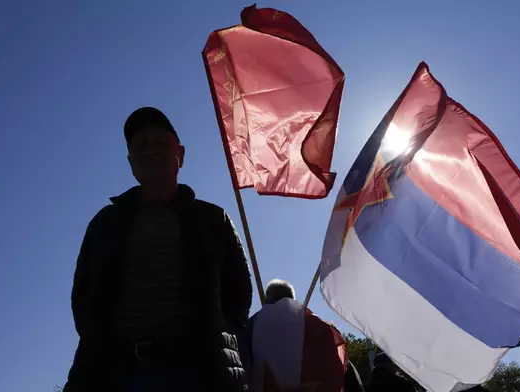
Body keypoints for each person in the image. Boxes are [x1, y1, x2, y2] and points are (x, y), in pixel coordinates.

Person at [62, 107, 253, 391]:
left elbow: (239, 294)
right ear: (130, 162)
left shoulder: (213, 220)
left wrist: (213, 337)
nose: (150, 150)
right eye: (140, 145)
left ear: (181, 155)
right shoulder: (105, 223)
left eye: (159, 143)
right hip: (116, 374)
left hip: (199, 374)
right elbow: (83, 298)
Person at [239, 279, 350, 392]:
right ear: (292, 299)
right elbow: (332, 372)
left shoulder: (249, 326)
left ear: (267, 300)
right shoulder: (317, 326)